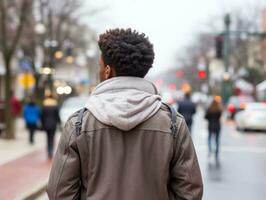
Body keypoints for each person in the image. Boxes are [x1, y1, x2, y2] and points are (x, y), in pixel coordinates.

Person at [47, 28, 203, 199]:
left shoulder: (79, 123)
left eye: (99, 66)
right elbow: (190, 193)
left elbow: (59, 193)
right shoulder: (173, 123)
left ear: (107, 71)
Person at [41, 94, 61, 159]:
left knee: (48, 138)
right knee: (52, 138)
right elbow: (57, 115)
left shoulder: (45, 105)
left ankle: (48, 151)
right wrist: (59, 123)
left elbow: (42, 116)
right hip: (53, 124)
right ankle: (51, 151)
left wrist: (42, 124)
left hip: (46, 124)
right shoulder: (55, 105)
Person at [205, 96, 223, 163]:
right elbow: (220, 115)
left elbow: (206, 117)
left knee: (209, 139)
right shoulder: (219, 109)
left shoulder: (210, 109)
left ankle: (210, 151)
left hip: (211, 125)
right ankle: (216, 152)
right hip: (217, 126)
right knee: (217, 140)